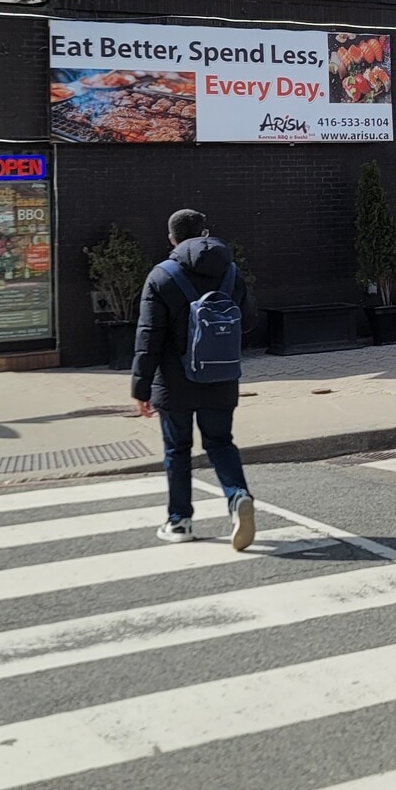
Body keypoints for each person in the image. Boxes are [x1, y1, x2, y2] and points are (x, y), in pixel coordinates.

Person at [131, 208, 256, 549]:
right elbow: (248, 322)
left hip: (175, 382)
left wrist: (141, 387)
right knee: (220, 442)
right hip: (221, 375)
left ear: (171, 238)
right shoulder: (231, 272)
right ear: (205, 233)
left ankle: (179, 521)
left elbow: (149, 337)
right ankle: (238, 496)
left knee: (178, 449)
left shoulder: (161, 276)